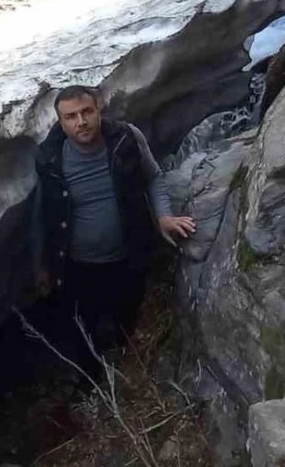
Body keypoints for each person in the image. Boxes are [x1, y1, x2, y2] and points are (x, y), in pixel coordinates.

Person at [29, 85, 196, 365]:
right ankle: (90, 376)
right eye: (71, 117)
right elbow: (40, 214)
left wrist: (164, 217)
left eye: (86, 112)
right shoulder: (51, 158)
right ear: (61, 122)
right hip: (77, 266)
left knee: (125, 315)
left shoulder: (126, 138)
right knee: (84, 327)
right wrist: (40, 266)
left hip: (128, 256)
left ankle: (125, 360)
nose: (80, 121)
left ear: (99, 110)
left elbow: (153, 177)